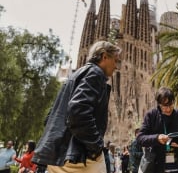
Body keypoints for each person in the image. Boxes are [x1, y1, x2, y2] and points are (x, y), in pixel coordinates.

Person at [31, 40, 122, 173]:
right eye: (115, 60)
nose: (116, 66)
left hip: (57, 155)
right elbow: (78, 111)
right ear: (104, 56)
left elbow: (50, 117)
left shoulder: (74, 76)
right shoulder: (95, 74)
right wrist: (96, 146)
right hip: (79, 158)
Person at [137, 87, 178, 173]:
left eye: (171, 104)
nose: (168, 109)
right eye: (165, 106)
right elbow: (140, 138)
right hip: (157, 167)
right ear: (159, 104)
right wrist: (157, 138)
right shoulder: (151, 116)